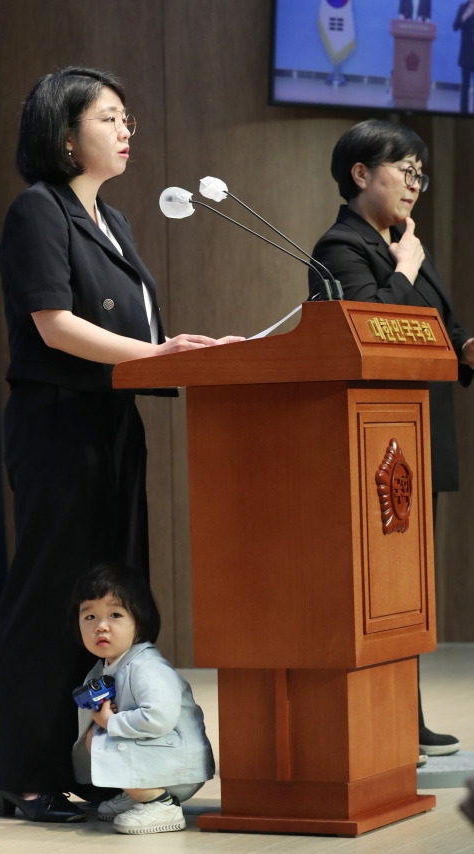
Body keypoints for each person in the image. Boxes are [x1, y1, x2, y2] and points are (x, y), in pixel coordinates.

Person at [0, 66, 241, 823]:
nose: (127, 130)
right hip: (59, 427)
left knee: (110, 603)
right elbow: (54, 325)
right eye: (110, 118)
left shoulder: (114, 223)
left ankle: (102, 765)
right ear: (64, 134)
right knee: (50, 602)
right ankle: (25, 774)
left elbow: (132, 335)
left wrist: (177, 347)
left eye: (127, 118)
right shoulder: (38, 212)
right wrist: (157, 355)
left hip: (112, 425)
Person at [308, 118, 474, 764]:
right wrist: (406, 266)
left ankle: (408, 713)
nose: (414, 185)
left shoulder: (402, 243)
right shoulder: (341, 246)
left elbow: (445, 331)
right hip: (375, 448)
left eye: (418, 175)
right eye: (403, 171)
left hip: (416, 437)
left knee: (410, 589)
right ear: (360, 173)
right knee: (382, 588)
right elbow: (372, 331)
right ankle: (388, 717)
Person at [69, 563, 215, 834]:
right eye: (89, 617)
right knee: (97, 736)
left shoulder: (147, 666)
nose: (101, 626)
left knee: (99, 737)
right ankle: (138, 793)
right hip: (159, 757)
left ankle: (161, 803)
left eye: (114, 614)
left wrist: (111, 721)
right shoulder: (109, 665)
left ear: (139, 620)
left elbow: (158, 716)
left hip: (177, 765)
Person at [454, 2, 474, 113]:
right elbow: (455, 26)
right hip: (466, 54)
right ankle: (464, 113)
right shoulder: (463, 8)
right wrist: (465, 15)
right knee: (465, 87)